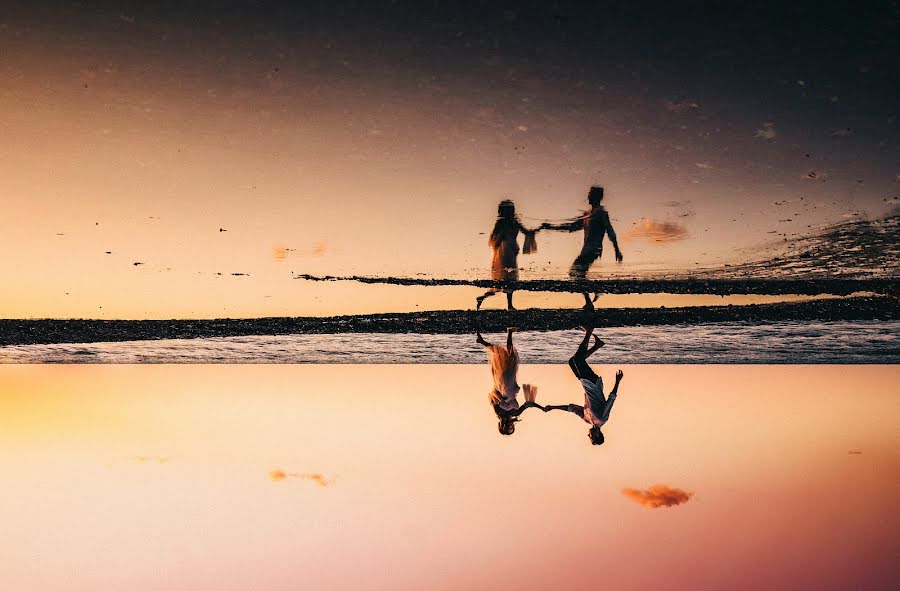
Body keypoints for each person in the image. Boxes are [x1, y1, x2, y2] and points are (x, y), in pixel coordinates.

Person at [540, 186, 622, 308]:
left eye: (591, 195)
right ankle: (589, 300)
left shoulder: (601, 214)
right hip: (587, 249)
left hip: (593, 249)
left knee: (574, 273)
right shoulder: (587, 214)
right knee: (578, 274)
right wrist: (551, 227)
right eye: (589, 194)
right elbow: (571, 226)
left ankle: (594, 292)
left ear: (597, 197)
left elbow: (610, 230)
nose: (588, 197)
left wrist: (617, 249)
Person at [544, 326, 623, 445]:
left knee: (572, 362)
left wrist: (553, 407)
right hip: (593, 383)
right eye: (591, 437)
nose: (588, 434)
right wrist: (617, 381)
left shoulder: (587, 419)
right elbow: (611, 400)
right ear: (597, 435)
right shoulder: (601, 418)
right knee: (578, 360)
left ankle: (597, 344)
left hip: (585, 384)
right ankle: (589, 332)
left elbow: (572, 408)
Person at [477, 327, 542, 435]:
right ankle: (483, 341)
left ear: (502, 426)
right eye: (512, 428)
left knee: (508, 358)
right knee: (509, 358)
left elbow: (493, 397)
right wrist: (542, 408)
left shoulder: (499, 412)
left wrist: (503, 399)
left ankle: (509, 332)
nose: (510, 425)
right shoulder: (516, 413)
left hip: (503, 384)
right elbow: (528, 404)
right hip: (511, 385)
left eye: (508, 427)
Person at [476, 200, 538, 311]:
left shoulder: (508, 222)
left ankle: (483, 297)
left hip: (508, 250)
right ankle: (509, 305)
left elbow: (526, 232)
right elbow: (496, 238)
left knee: (505, 280)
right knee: (509, 279)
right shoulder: (507, 222)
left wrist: (536, 230)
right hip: (506, 251)